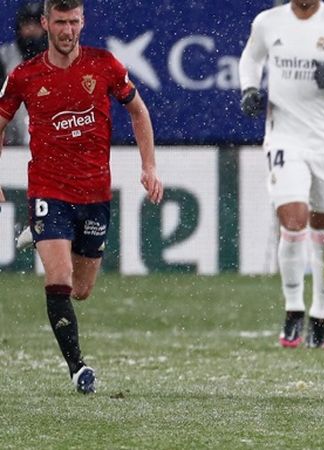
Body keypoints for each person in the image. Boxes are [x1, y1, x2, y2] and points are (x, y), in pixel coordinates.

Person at [0, 0, 164, 394]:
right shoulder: (25, 75)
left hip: (94, 193)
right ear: (45, 24)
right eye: (59, 22)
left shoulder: (104, 65)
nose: (67, 30)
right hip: (48, 189)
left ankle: (35, 234)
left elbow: (138, 112)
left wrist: (149, 166)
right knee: (58, 278)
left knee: (81, 290)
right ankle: (79, 369)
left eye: (74, 22)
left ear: (82, 22)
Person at [238, 0, 324, 349]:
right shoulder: (268, 22)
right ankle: (293, 310)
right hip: (285, 136)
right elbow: (251, 58)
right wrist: (250, 89)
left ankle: (320, 316)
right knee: (293, 218)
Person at [0, 1, 47, 146]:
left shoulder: (58, 57)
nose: (31, 29)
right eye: (27, 24)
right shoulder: (5, 55)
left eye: (36, 24)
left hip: (51, 138)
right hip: (12, 142)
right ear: (19, 28)